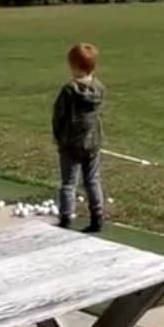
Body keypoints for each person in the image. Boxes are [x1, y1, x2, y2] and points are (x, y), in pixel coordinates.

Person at [52, 42, 106, 232]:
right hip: (92, 143)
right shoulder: (99, 88)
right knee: (92, 180)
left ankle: (66, 217)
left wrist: (59, 137)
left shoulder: (68, 90)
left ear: (74, 66)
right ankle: (97, 216)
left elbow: (59, 115)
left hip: (70, 144)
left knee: (69, 182)